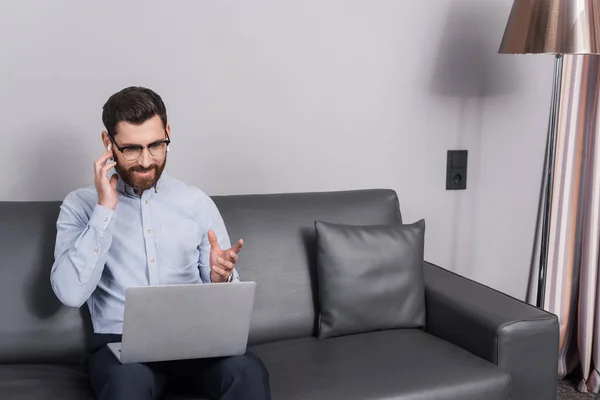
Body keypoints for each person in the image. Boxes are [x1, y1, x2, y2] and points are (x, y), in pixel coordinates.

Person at [50, 86, 271, 400]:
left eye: (156, 145)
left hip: (198, 341)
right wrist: (105, 209)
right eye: (131, 149)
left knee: (248, 371)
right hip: (121, 347)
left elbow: (223, 290)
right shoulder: (80, 205)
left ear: (168, 133)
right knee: (127, 387)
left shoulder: (196, 202)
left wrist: (220, 280)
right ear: (107, 144)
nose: (145, 161)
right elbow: (70, 294)